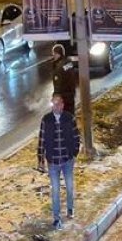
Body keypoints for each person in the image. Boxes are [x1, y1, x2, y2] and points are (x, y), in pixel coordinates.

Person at [37, 94, 81, 229]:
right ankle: (56, 218)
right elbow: (42, 139)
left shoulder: (69, 118)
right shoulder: (46, 120)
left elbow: (76, 136)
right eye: (53, 104)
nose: (55, 106)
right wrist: (40, 158)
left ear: (62, 105)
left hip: (67, 160)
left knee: (69, 186)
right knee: (55, 190)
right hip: (53, 162)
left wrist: (74, 152)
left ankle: (70, 208)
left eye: (58, 104)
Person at [51, 44, 76, 114]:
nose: (53, 56)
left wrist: (55, 96)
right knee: (71, 114)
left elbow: (57, 85)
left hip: (63, 96)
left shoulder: (59, 68)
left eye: (54, 54)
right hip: (71, 94)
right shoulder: (69, 62)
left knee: (62, 115)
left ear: (57, 54)